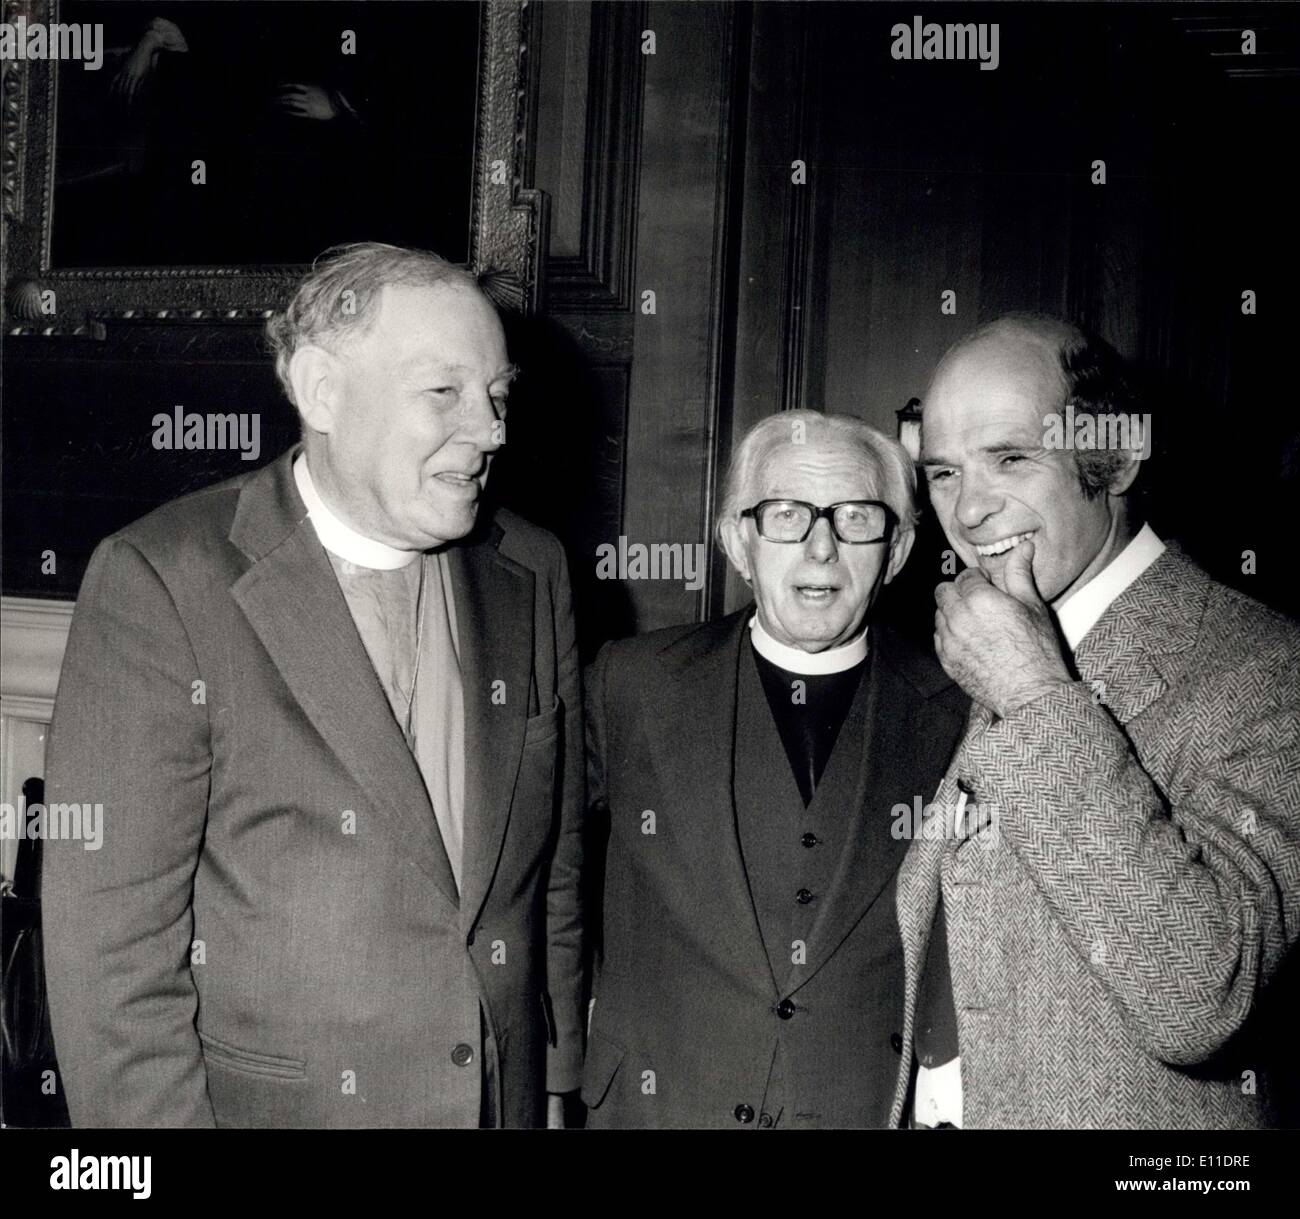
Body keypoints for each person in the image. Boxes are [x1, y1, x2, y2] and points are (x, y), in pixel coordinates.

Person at [41, 243, 584, 1128]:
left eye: (498, 395)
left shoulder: (532, 566)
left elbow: (550, 865)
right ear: (323, 389)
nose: (491, 431)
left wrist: (553, 1081)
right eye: (444, 392)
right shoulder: (163, 579)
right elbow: (112, 962)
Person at [898, 313, 1300, 1128]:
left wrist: (1037, 692)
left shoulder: (1267, 666)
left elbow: (1198, 992)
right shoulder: (1007, 626)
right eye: (942, 472)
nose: (970, 509)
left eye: (1011, 457)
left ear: (1115, 455)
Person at [582, 411, 967, 1127]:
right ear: (738, 540)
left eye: (856, 517)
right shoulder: (630, 684)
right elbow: (542, 874)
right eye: (788, 515)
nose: (821, 549)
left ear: (897, 548)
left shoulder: (959, 708)